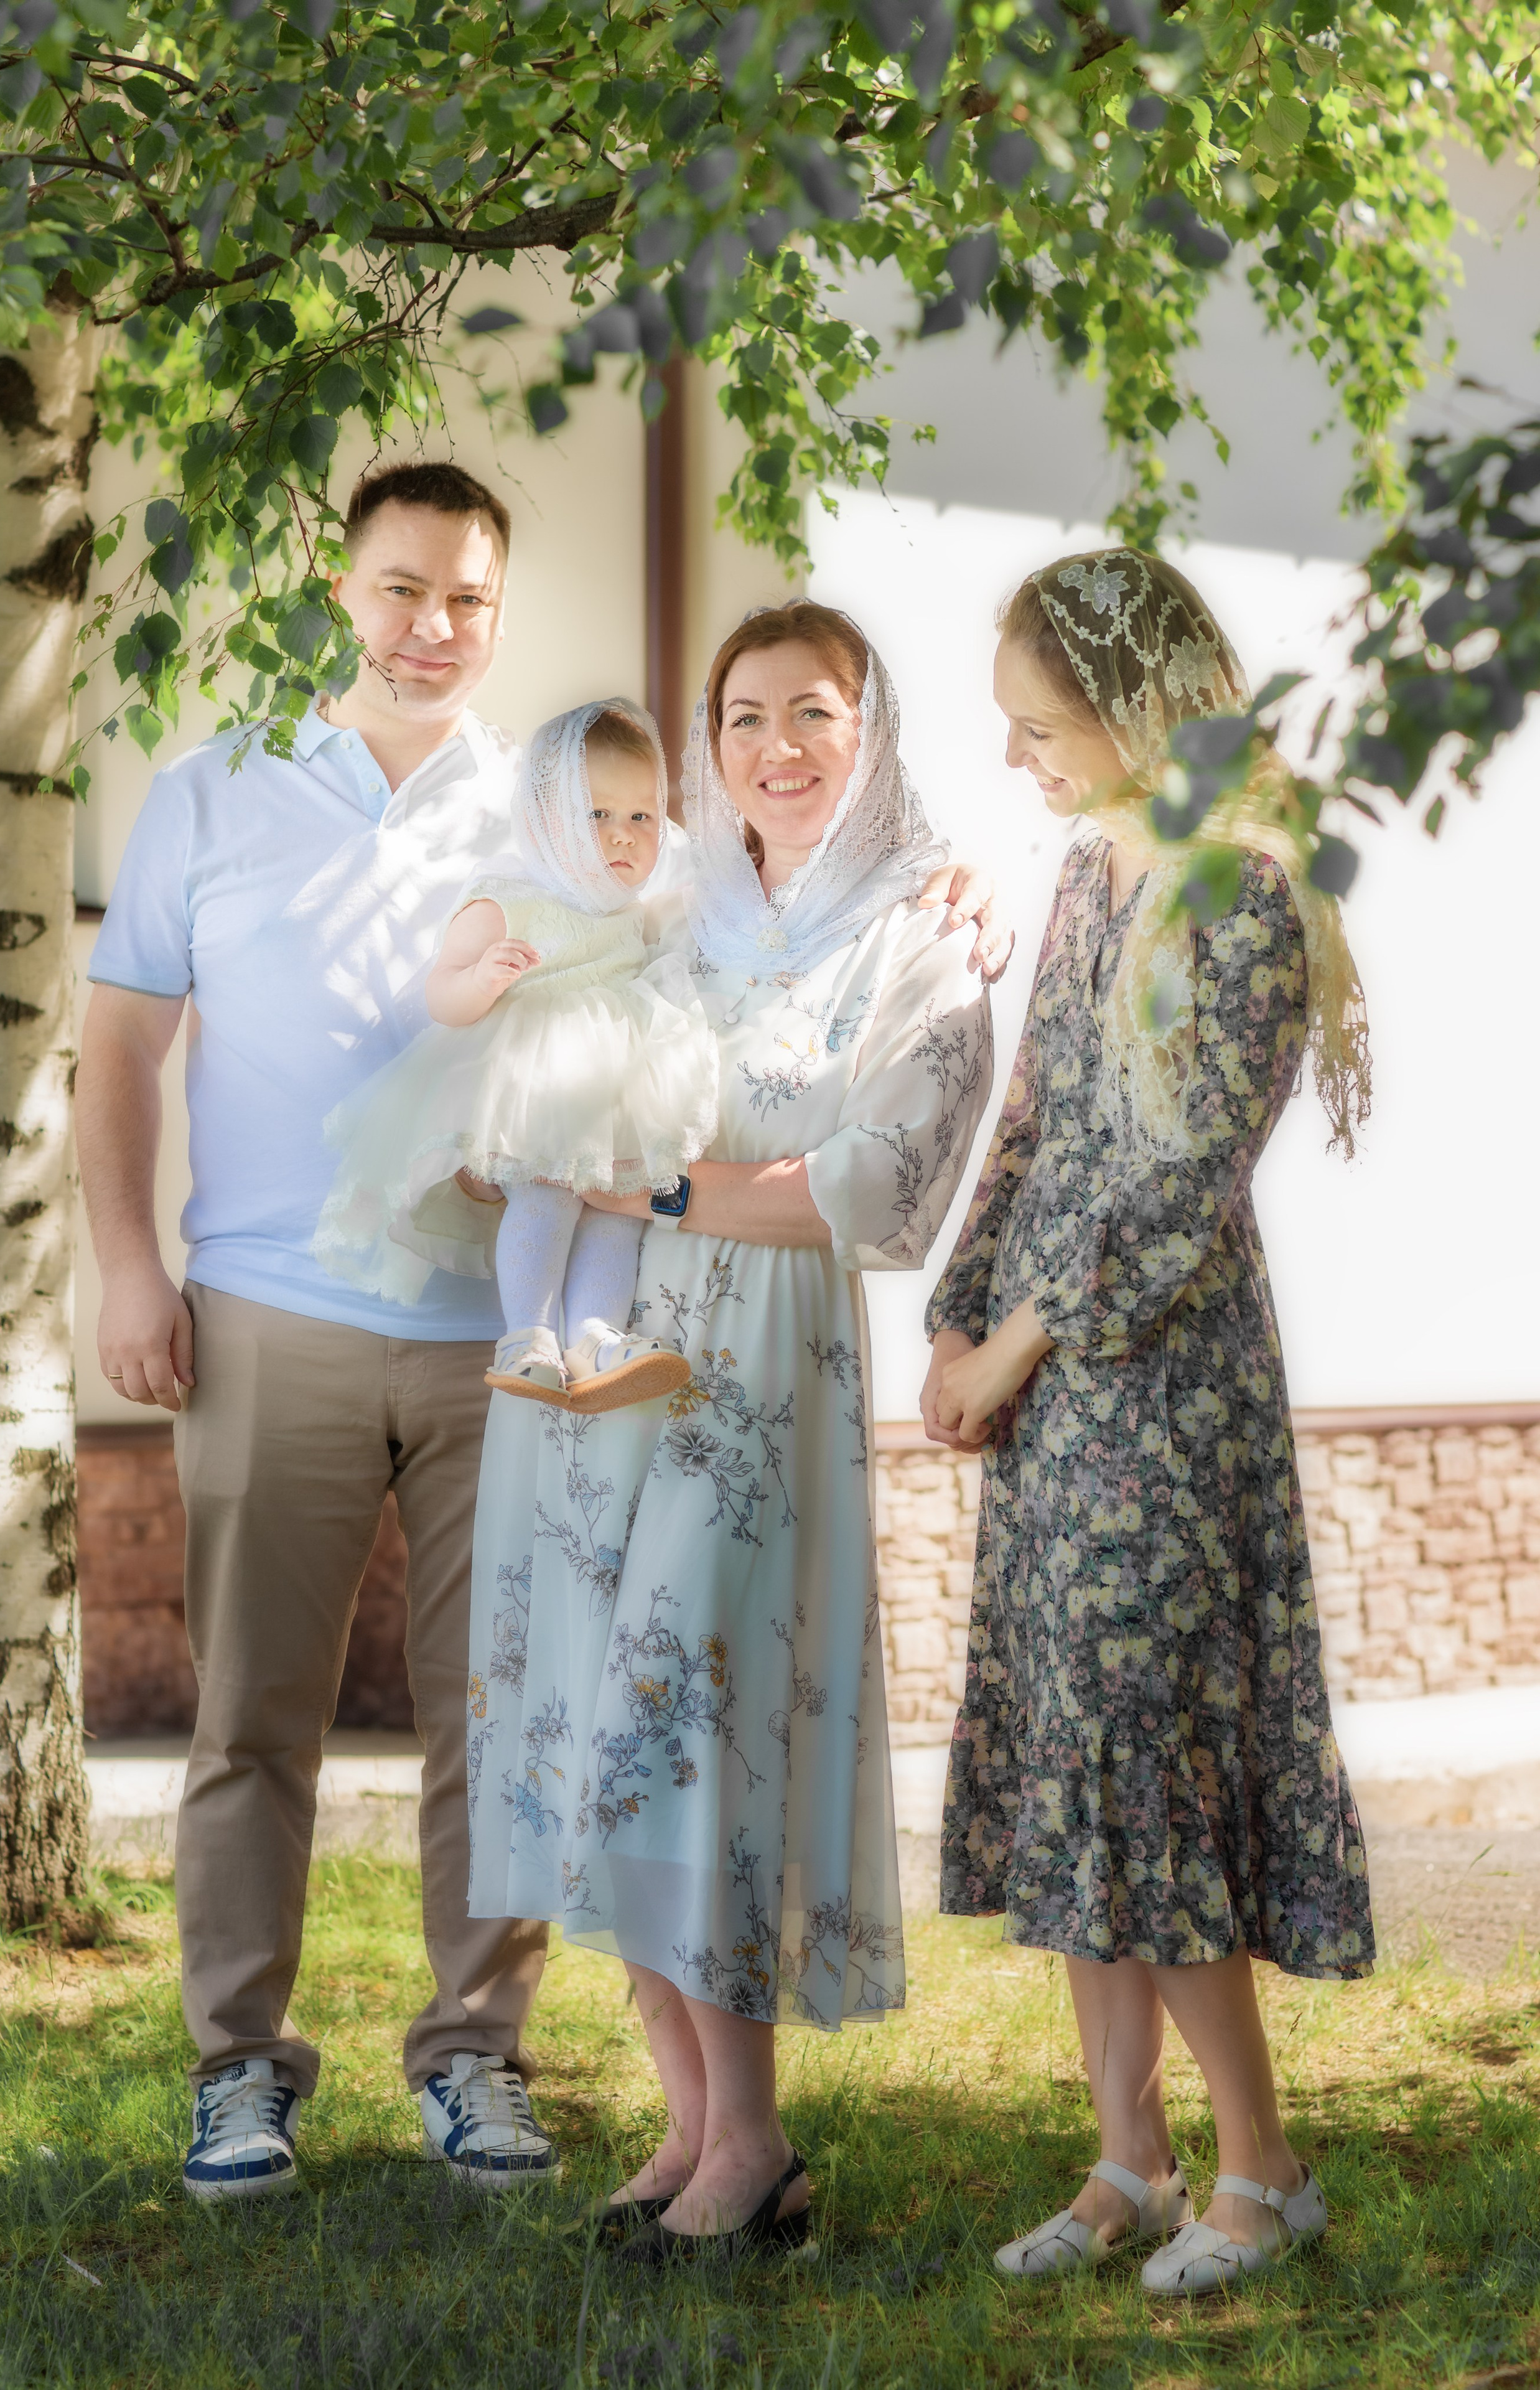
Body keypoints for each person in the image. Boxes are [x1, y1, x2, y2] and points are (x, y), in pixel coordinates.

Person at [75, 467, 1007, 2205]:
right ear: (336, 583)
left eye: (469, 599)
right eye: (401, 588)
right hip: (268, 1306)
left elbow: (762, 916)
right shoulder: (216, 787)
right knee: (250, 1718)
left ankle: (475, 2062)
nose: (434, 627)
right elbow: (120, 1046)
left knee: (502, 1717)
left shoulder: (559, 797)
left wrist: (968, 900)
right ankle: (237, 2071)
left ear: (502, 614)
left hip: (512, 1339)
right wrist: (127, 1270)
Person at [464, 601, 995, 2262]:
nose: (779, 744)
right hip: (607, 1364)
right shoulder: (670, 903)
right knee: (587, 1718)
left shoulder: (922, 930)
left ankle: (754, 2133)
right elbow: (540, 1002)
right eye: (748, 714)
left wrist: (670, 1185)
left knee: (688, 1728)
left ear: (872, 730)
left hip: (756, 1378)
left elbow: (889, 1184)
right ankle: (689, 2119)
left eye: (817, 712)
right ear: (710, 739)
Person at [921, 549, 1376, 2297]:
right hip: (1042, 1380)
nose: (1023, 755)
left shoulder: (1244, 888)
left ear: (1135, 708)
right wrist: (957, 1317)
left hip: (1158, 1388)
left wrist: (1018, 1346)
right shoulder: (1087, 872)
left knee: (1141, 1750)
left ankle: (1263, 2168)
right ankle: (1127, 2160)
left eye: (1043, 726)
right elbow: (1030, 1115)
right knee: (1072, 1757)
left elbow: (1187, 1181)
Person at [314, 698, 717, 1411]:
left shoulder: (633, 910)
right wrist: (483, 977)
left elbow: (694, 913)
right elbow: (441, 995)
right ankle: (526, 1334)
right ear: (544, 817)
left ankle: (595, 1335)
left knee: (619, 1211)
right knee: (547, 1196)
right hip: (535, 1083)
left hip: (612, 1092)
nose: (622, 837)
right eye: (596, 815)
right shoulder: (508, 897)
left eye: (641, 817)